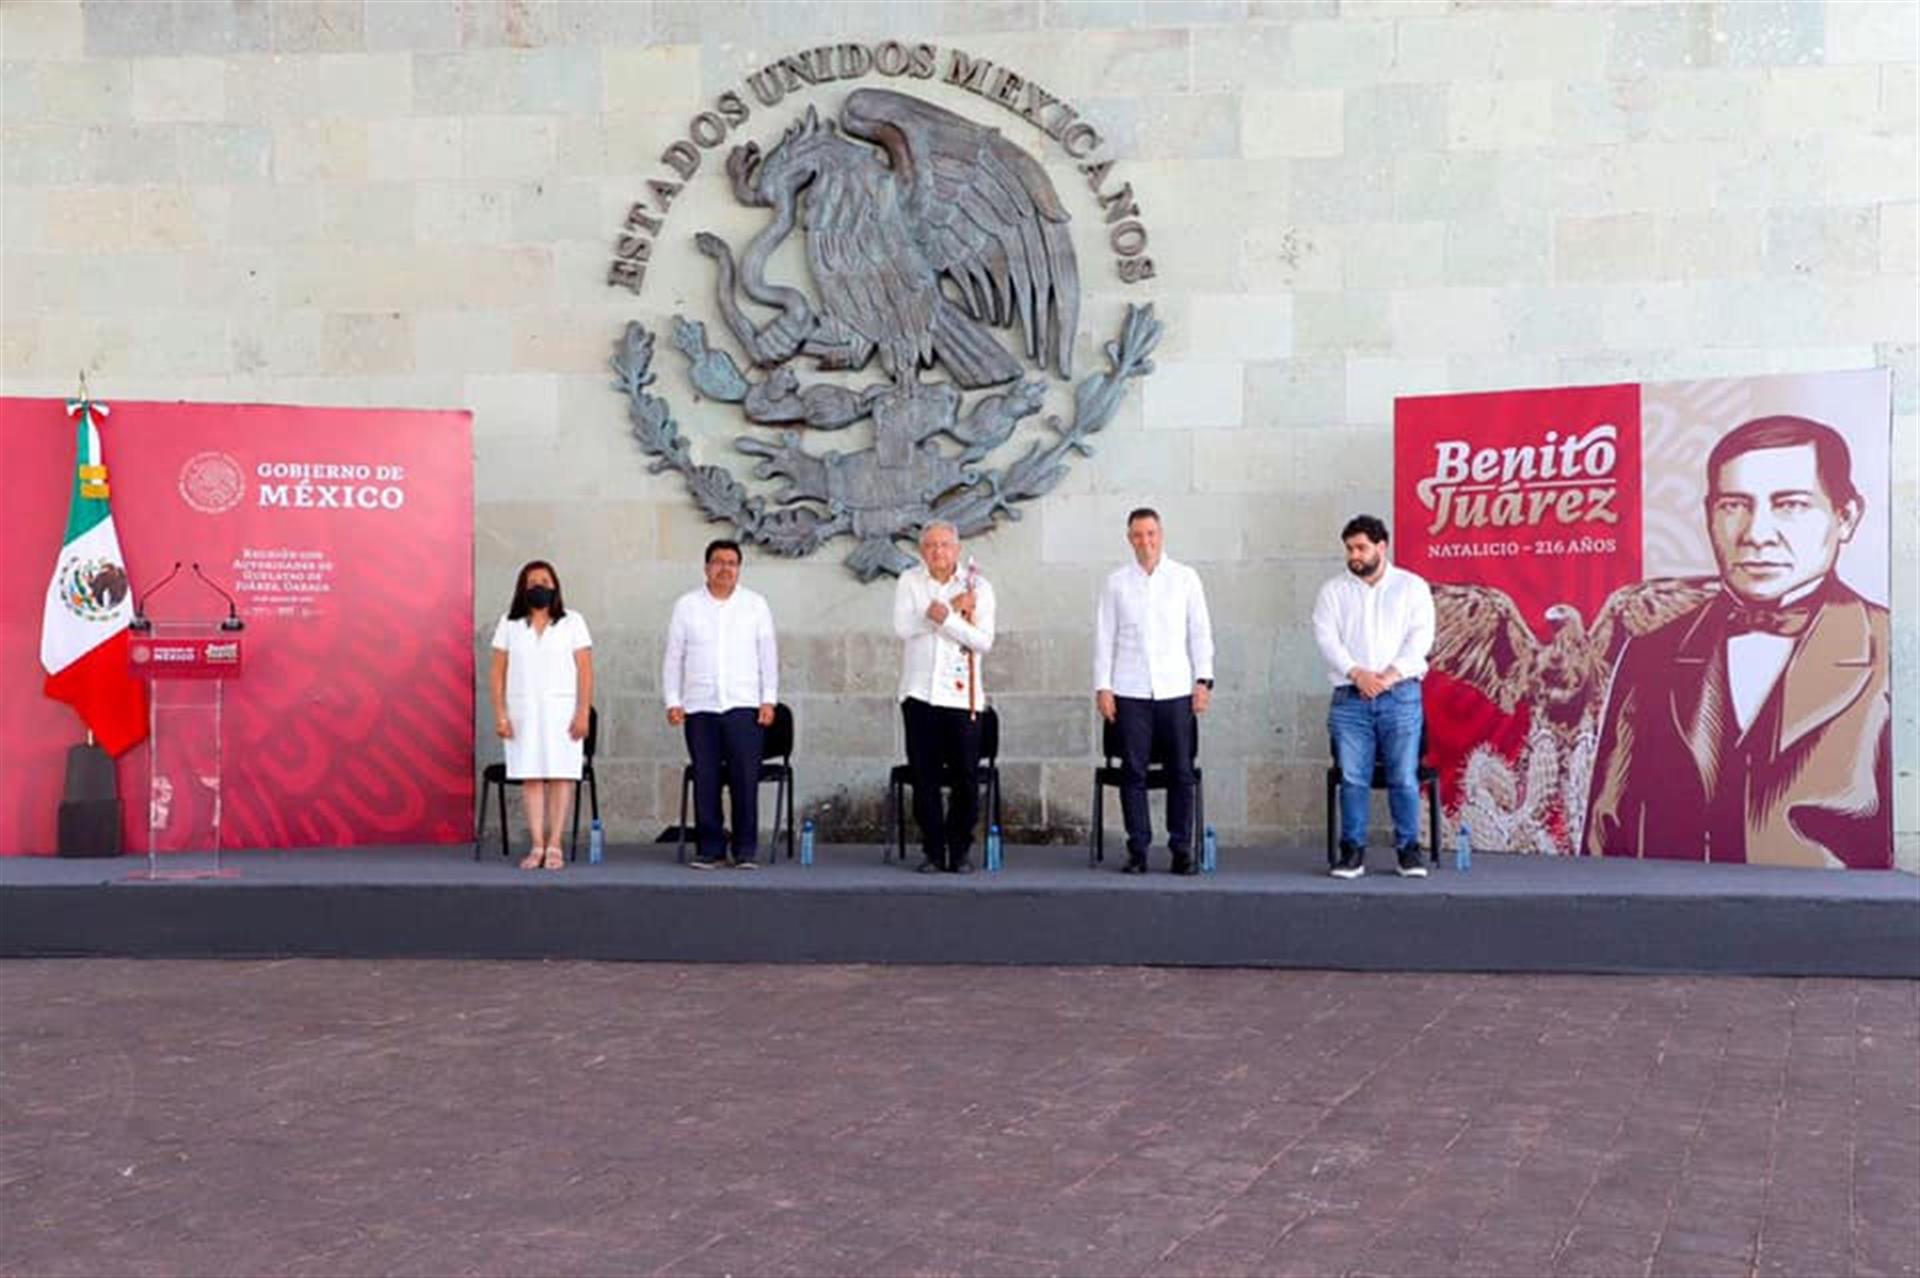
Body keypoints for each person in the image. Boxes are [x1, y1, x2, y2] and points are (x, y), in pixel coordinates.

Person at [1583, 415, 1892, 868]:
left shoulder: (1888, 652)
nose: (1756, 534)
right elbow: (1605, 826)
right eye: (1734, 505)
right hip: (1669, 922)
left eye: (1790, 504)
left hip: (1827, 928)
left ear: (1845, 517)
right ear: (1709, 514)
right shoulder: (1652, 653)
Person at [1311, 515, 1434, 880]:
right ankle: (1352, 852)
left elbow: (1420, 639)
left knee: (1403, 776)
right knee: (1353, 777)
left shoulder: (1411, 587)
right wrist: (1358, 673)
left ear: (1382, 547)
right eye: (1350, 548)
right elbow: (1326, 638)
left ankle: (1408, 851)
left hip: (1400, 696)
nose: (1354, 555)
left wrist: (1389, 676)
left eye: (1361, 547)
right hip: (1350, 698)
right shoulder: (1333, 591)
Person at [1093, 508, 1216, 875]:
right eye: (1137, 535)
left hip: (1175, 688)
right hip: (1130, 689)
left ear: (1161, 535)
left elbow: (1199, 632)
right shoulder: (1116, 582)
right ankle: (1138, 849)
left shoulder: (1185, 578)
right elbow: (1104, 637)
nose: (1145, 541)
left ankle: (1181, 848)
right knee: (1134, 772)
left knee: (1180, 770)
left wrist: (1203, 680)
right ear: (1129, 538)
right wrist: (1103, 686)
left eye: (1151, 534)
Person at [664, 539, 779, 869]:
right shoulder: (687, 605)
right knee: (706, 778)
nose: (725, 568)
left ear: (739, 569)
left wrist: (768, 699)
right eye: (718, 562)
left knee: (745, 778)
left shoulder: (755, 605)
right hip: (700, 707)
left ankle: (744, 849)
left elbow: (767, 655)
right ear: (706, 568)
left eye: (732, 563)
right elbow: (674, 656)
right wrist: (673, 699)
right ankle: (710, 848)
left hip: (744, 705)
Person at [894, 521, 995, 874]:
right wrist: (946, 609)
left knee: (966, 778)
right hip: (919, 694)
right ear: (922, 551)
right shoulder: (910, 581)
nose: (938, 551)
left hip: (962, 697)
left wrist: (946, 619)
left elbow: (983, 641)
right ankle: (933, 850)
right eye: (931, 545)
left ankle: (960, 848)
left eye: (945, 545)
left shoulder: (978, 586)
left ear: (957, 548)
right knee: (925, 777)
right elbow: (904, 628)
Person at [489, 560, 594, 871]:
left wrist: (583, 713)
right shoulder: (509, 623)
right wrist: (501, 714)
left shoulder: (573, 621)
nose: (539, 586)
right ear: (523, 588)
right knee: (531, 776)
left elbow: (585, 671)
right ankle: (536, 844)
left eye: (545, 580)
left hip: (563, 711)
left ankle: (555, 844)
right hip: (522, 712)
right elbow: (497, 673)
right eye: (532, 581)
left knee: (561, 775)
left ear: (555, 586)